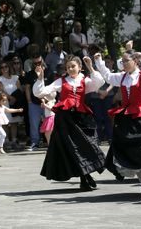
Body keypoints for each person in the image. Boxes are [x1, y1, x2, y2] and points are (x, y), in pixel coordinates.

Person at [96, 49, 141, 197]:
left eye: (127, 60)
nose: (124, 63)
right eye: (123, 61)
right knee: (129, 153)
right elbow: (107, 76)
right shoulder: (122, 77)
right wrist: (99, 62)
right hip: (125, 118)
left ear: (135, 61)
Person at [33, 55, 105, 191]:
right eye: (68, 67)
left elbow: (99, 83)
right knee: (73, 149)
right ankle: (84, 179)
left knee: (87, 145)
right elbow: (40, 92)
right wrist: (40, 78)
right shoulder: (61, 81)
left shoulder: (85, 80)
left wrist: (90, 67)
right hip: (66, 120)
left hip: (82, 119)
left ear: (79, 67)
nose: (71, 69)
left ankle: (87, 175)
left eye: (73, 66)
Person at [0, 61, 23, 149]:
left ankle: (14, 141)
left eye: (6, 66)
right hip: (5, 103)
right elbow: (0, 91)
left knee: (14, 122)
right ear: (0, 69)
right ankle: (6, 141)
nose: (4, 69)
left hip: (15, 103)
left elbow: (20, 90)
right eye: (2, 67)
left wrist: (14, 98)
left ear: (9, 67)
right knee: (5, 123)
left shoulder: (15, 77)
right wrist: (10, 97)